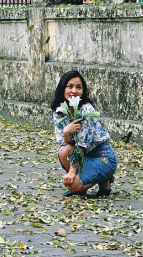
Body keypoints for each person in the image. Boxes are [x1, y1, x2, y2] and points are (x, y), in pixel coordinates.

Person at [51, 70, 118, 198]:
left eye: (78, 87)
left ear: (83, 91)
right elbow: (63, 143)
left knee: (73, 186)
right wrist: (66, 133)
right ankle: (100, 181)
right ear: (62, 88)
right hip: (83, 158)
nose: (74, 91)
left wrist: (72, 173)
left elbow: (81, 145)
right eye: (69, 86)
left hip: (103, 158)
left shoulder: (86, 110)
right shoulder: (59, 110)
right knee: (63, 150)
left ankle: (104, 177)